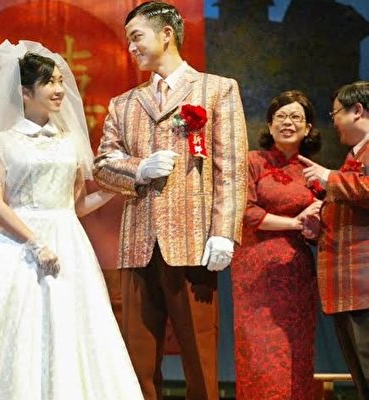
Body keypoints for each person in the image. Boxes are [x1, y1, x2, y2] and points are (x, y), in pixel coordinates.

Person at [0, 40, 143, 400]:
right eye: (49, 82)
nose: (59, 90)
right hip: (18, 247)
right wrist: (35, 241)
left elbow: (75, 205)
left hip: (68, 243)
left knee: (74, 329)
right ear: (25, 92)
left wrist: (115, 190)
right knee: (15, 326)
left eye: (60, 81)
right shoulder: (1, 142)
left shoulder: (70, 141)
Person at [93, 2, 248, 399]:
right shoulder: (124, 103)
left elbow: (231, 168)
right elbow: (102, 166)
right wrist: (139, 169)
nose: (131, 47)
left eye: (137, 37)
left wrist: (224, 232)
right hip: (138, 242)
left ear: (166, 34)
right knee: (137, 358)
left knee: (199, 353)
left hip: (193, 241)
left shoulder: (217, 89)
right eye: (128, 40)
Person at [230, 90, 322, 399]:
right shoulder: (252, 161)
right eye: (280, 116)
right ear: (269, 125)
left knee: (296, 355)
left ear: (308, 128)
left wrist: (315, 224)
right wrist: (294, 223)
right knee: (258, 354)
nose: (288, 122)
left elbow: (320, 227)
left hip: (296, 274)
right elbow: (245, 211)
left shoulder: (312, 172)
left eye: (296, 117)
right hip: (256, 273)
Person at [299, 80, 369, 399]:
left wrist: (328, 177)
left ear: (358, 110)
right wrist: (320, 222)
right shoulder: (353, 156)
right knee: (361, 377)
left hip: (364, 287)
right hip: (348, 288)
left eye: (336, 112)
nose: (334, 121)